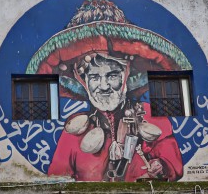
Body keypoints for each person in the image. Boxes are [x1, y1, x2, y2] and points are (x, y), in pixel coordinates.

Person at [48, 53, 183, 182]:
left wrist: (160, 167)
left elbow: (173, 164)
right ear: (85, 83)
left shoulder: (147, 114)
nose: (104, 86)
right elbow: (57, 179)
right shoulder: (74, 128)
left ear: (125, 78)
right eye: (95, 77)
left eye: (112, 76)